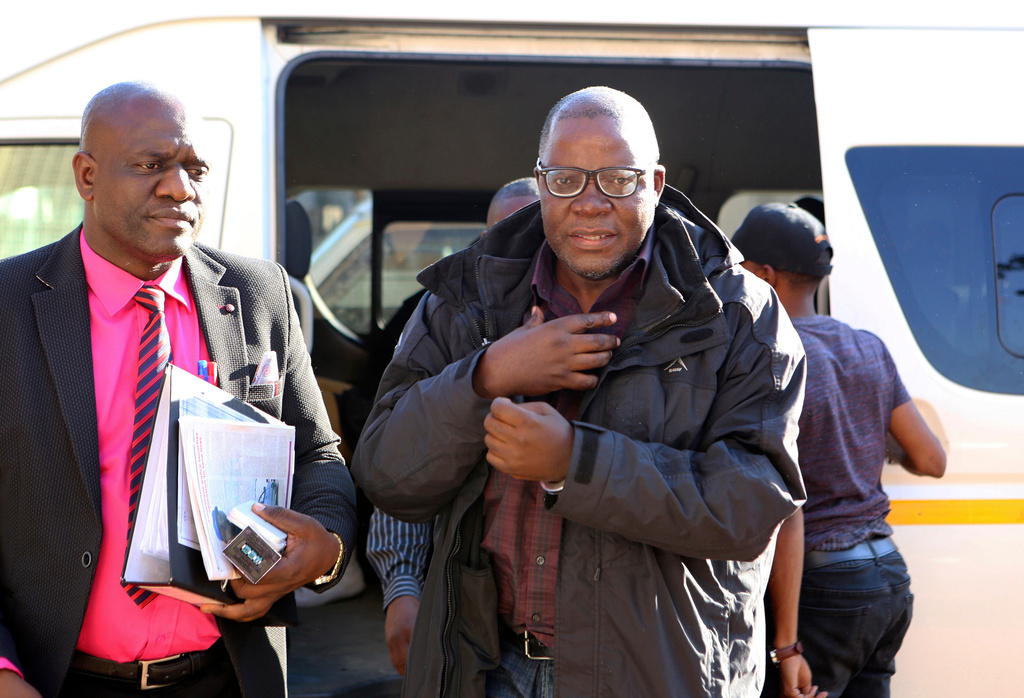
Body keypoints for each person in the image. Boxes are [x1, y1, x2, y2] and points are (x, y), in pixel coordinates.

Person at [351, 86, 808, 697]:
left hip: (656, 676)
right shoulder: (467, 301)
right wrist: (485, 375)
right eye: (566, 179)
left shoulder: (737, 313)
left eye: (618, 179)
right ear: (541, 182)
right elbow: (385, 474)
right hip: (485, 668)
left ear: (655, 181)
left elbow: (753, 506)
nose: (590, 202)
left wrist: (575, 462)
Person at [0, 82, 358, 698]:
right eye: (151, 166)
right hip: (54, 679)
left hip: (231, 675)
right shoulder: (9, 305)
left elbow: (318, 457)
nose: (180, 189)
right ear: (86, 176)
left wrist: (324, 547)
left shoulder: (255, 294)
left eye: (194, 168)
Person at [732, 203, 946, 698]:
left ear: (765, 274)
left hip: (821, 589)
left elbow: (788, 509)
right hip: (888, 578)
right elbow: (931, 460)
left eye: (739, 269)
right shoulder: (866, 347)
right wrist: (869, 439)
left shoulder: (772, 357)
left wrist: (785, 648)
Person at [366, 177, 541, 676]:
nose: (518, 257)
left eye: (535, 238)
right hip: (474, 613)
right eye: (501, 242)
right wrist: (402, 585)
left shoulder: (607, 326)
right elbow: (407, 460)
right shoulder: (455, 320)